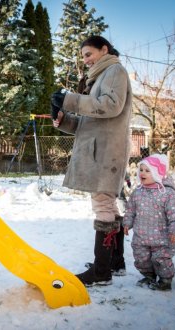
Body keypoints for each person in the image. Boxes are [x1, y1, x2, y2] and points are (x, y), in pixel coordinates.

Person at [51, 35, 133, 286]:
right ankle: (114, 263)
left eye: (89, 54)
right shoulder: (99, 77)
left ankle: (101, 272)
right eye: (83, 56)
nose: (85, 60)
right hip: (101, 149)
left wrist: (70, 99)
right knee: (109, 204)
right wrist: (64, 119)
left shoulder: (115, 71)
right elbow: (91, 122)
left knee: (103, 206)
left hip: (106, 152)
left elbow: (111, 106)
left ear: (104, 49)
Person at [123, 154, 175, 291]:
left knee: (161, 259)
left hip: (162, 238)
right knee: (141, 258)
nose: (142, 173)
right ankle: (149, 276)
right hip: (141, 237)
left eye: (147, 170)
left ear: (158, 173)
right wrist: (127, 223)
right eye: (141, 170)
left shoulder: (167, 193)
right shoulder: (138, 192)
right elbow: (130, 209)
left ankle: (165, 279)